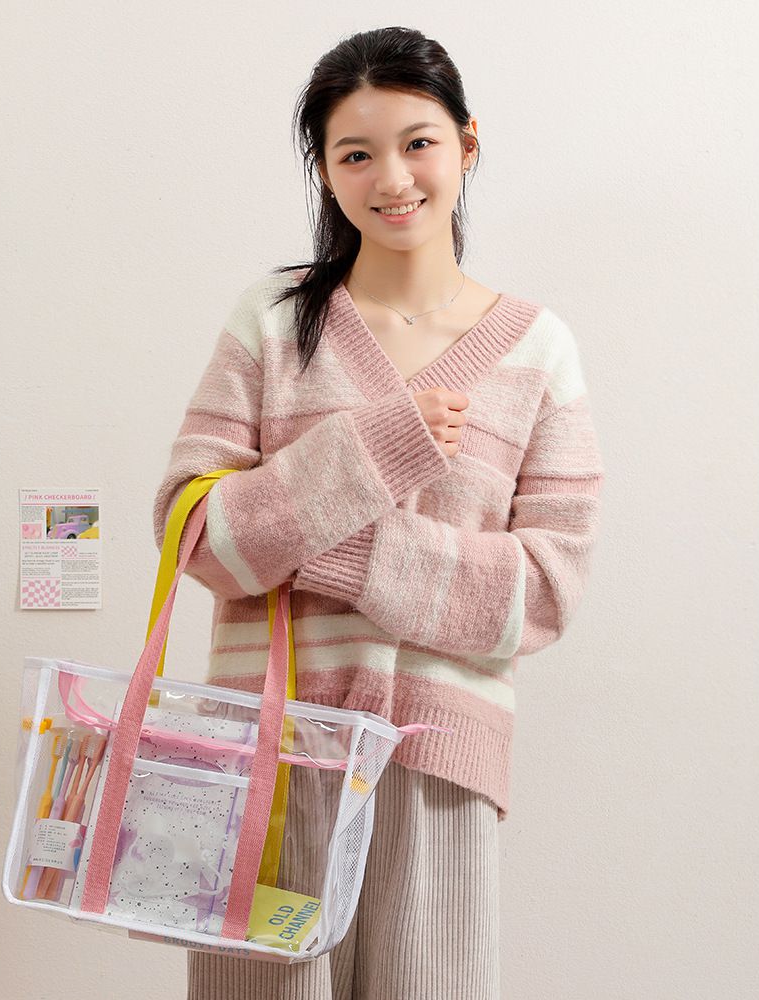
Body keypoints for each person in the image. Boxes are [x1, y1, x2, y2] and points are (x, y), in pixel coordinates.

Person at [152, 24, 604, 1000]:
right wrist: (366, 451)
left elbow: (543, 594)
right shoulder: (274, 324)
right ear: (324, 170)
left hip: (438, 765)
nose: (391, 178)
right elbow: (198, 538)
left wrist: (338, 552)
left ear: (466, 145)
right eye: (355, 154)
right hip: (268, 761)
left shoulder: (538, 351)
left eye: (417, 142)